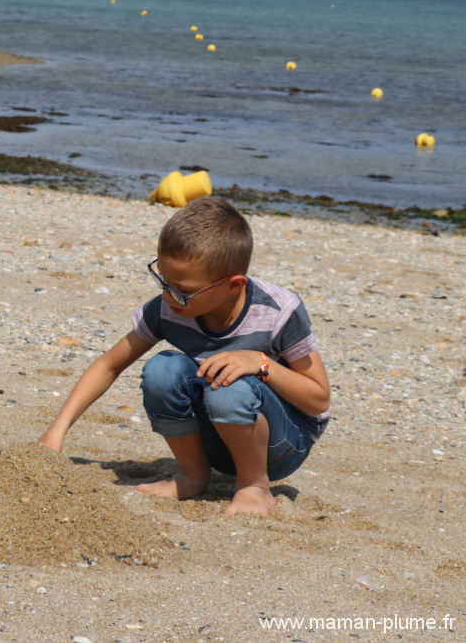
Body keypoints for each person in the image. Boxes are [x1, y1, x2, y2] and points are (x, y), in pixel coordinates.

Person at [39, 197, 329, 515]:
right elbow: (109, 364)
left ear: (233, 286)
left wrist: (260, 364)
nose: (168, 296)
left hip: (281, 446)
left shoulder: (278, 312)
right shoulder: (171, 307)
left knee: (230, 386)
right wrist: (57, 432)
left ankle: (253, 486)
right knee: (163, 370)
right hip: (217, 437)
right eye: (163, 280)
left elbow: (317, 400)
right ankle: (193, 474)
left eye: (182, 290)